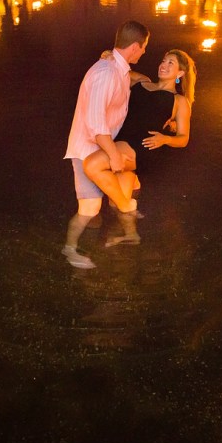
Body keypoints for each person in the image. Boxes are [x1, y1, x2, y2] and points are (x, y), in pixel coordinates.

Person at [83, 49, 195, 247]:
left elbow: (184, 138)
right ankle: (131, 234)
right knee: (115, 203)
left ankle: (128, 208)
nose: (164, 65)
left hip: (144, 147)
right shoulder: (142, 81)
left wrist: (165, 139)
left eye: (171, 63)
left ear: (180, 74)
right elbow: (120, 69)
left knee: (91, 165)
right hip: (123, 141)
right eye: (163, 60)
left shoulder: (180, 101)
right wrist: (109, 56)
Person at [62, 20, 150, 268]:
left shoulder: (117, 68)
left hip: (100, 148)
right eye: (143, 47)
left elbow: (127, 77)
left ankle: (111, 223)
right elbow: (96, 124)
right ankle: (70, 249)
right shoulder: (105, 73)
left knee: (100, 208)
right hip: (88, 150)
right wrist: (113, 155)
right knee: (89, 208)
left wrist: (145, 81)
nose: (144, 52)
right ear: (134, 46)